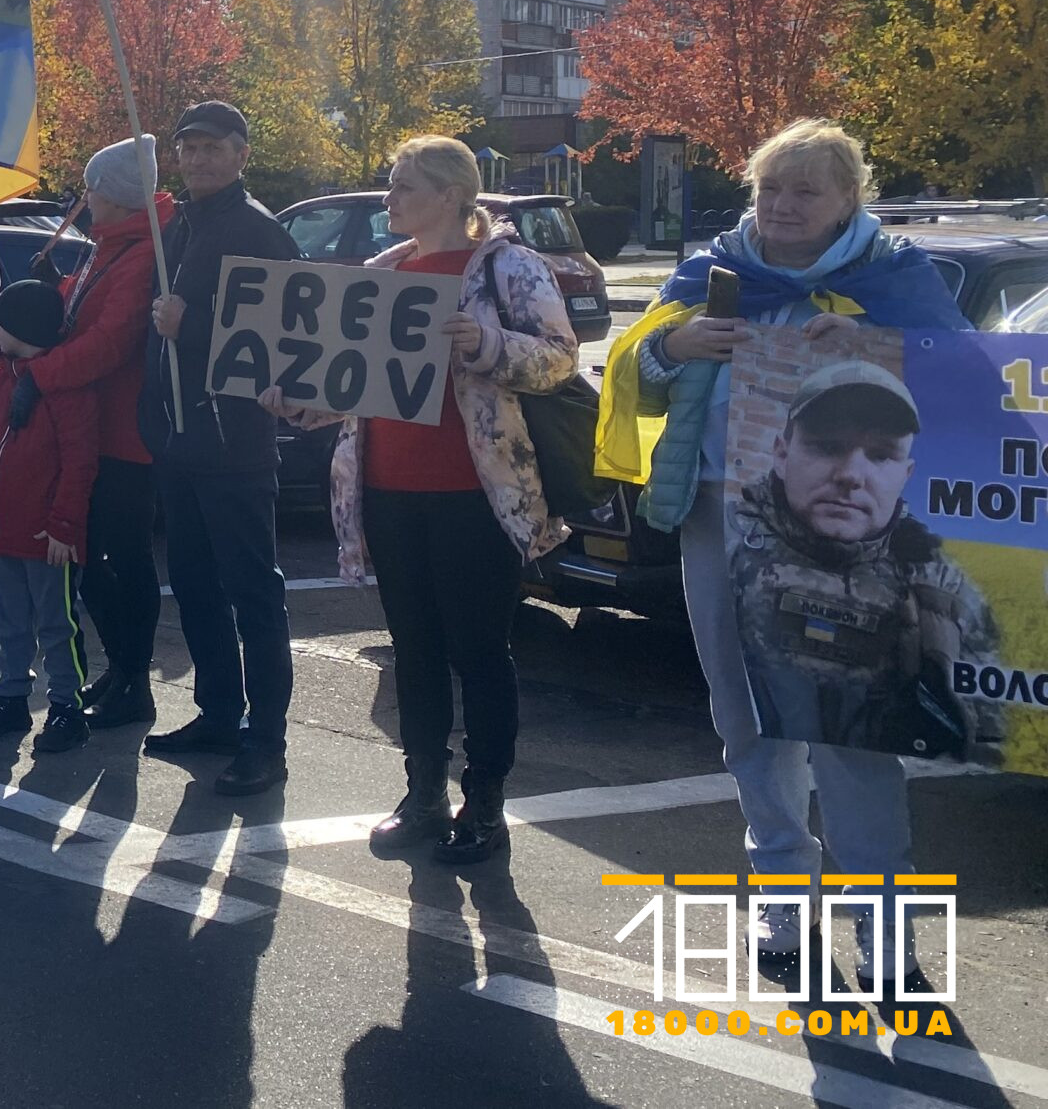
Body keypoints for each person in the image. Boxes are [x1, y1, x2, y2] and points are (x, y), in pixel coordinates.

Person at [600, 118, 967, 995]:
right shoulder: (713, 276)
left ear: (850, 200)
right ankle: (781, 895)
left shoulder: (894, 279)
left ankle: (885, 929)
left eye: (807, 190)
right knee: (748, 726)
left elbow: (971, 384)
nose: (784, 206)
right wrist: (668, 344)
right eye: (771, 188)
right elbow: (629, 370)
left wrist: (888, 356)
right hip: (720, 524)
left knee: (851, 734)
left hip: (852, 543)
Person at [278, 136, 579, 862]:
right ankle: (423, 795)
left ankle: (486, 801)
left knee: (479, 651)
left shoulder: (508, 266)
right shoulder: (384, 272)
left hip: (477, 496)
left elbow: (561, 358)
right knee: (412, 652)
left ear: (450, 194)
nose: (389, 200)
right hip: (388, 491)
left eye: (403, 186)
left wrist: (485, 342)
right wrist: (296, 402)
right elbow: (352, 384)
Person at [141, 101, 301, 796]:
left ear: (241, 154)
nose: (199, 160)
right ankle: (217, 714)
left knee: (252, 595)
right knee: (198, 589)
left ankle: (266, 742)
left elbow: (282, 342)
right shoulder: (175, 226)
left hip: (236, 444)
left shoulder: (259, 232)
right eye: (189, 148)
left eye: (212, 148)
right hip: (181, 443)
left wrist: (193, 324)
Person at [733, 363, 1003, 763]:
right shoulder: (727, 543)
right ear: (781, 453)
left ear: (906, 474)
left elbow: (987, 734)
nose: (850, 476)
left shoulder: (944, 588)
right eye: (827, 447)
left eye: (880, 456)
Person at [20, 136, 169, 731]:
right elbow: (86, 315)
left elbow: (111, 342)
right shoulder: (110, 247)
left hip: (124, 437)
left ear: (116, 196)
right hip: (93, 428)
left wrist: (41, 373)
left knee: (120, 562)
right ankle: (124, 670)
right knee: (97, 562)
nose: (85, 197)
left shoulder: (138, 255)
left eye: (93, 188)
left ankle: (134, 678)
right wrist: (55, 288)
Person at [0, 279, 99, 756]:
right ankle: (11, 696)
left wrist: (64, 525)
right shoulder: (4, 374)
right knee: (12, 619)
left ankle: (66, 707)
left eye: (0, 321)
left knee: (57, 623)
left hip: (44, 533)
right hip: (4, 527)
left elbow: (79, 462)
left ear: (15, 327)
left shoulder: (60, 386)